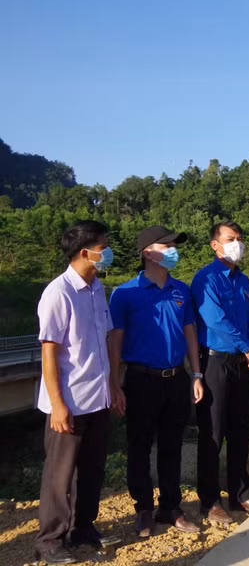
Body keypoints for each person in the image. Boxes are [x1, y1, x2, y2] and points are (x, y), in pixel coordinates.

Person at [35, 220, 124, 564]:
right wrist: (57, 405)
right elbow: (49, 351)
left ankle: (83, 528)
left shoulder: (97, 288)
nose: (108, 251)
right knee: (60, 474)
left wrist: (114, 386)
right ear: (86, 252)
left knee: (92, 468)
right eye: (105, 245)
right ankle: (50, 540)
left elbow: (102, 344)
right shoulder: (59, 292)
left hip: (97, 397)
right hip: (69, 401)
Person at [108, 226, 204, 537]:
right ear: (148, 252)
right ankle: (144, 510)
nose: (174, 250)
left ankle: (170, 507)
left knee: (172, 445)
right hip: (141, 380)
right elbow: (115, 342)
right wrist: (114, 382)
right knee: (139, 446)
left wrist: (197, 374)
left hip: (176, 378)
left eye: (175, 245)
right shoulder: (124, 294)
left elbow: (189, 332)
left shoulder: (181, 290)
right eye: (168, 245)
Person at [191, 221, 249, 524]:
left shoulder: (244, 281)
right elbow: (215, 319)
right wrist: (246, 348)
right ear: (215, 245)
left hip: (242, 362)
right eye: (230, 239)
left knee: (240, 431)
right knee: (213, 434)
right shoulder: (206, 279)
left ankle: (241, 494)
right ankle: (210, 501)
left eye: (239, 238)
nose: (237, 243)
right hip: (215, 363)